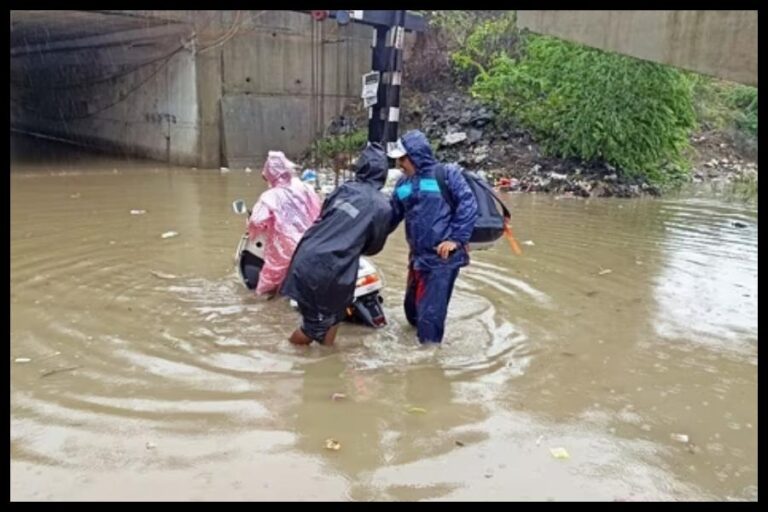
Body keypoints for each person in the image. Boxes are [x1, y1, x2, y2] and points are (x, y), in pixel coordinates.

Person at [281, 143, 392, 346]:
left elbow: (325, 215)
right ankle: (286, 356)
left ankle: (327, 354)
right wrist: (353, 243)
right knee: (313, 328)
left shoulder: (344, 189)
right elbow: (374, 247)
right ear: (383, 173)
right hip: (327, 268)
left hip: (306, 253)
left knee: (334, 317)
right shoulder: (382, 206)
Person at [387, 129, 478, 344]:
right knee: (411, 312)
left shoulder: (446, 175)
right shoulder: (403, 184)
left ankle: (429, 357)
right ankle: (417, 344)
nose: (399, 164)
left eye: (403, 159)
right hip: (417, 258)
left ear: (415, 156)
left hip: (442, 259)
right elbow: (392, 214)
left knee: (429, 321)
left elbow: (468, 204)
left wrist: (456, 239)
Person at [247, 151, 321, 296]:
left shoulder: (270, 196)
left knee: (266, 286)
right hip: (311, 241)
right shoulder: (305, 187)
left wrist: (255, 228)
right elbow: (318, 209)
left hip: (285, 249)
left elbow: (256, 220)